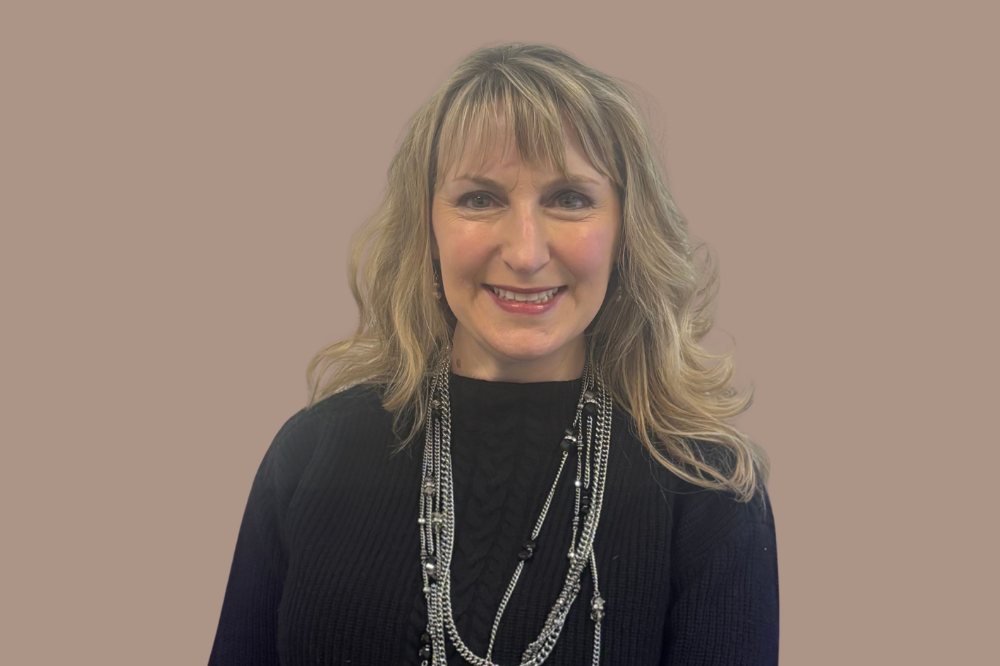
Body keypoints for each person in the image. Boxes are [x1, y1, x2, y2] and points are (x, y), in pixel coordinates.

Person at [208, 42, 779, 666]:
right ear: (427, 226)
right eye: (480, 199)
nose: (526, 252)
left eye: (570, 198)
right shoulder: (308, 456)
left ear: (626, 232)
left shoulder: (709, 493)